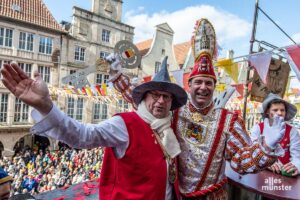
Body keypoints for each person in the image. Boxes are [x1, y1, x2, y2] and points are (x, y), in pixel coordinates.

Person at [110, 18, 286, 199]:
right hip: (177, 194)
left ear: (214, 86)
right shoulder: (175, 111)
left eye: (208, 83)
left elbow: (240, 162)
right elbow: (147, 103)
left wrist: (265, 148)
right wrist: (117, 76)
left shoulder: (229, 121)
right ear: (189, 85)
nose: (203, 87)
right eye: (198, 82)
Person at [0, 57, 187, 200]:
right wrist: (46, 106)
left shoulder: (170, 126)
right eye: (155, 94)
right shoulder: (125, 123)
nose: (161, 101)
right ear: (144, 97)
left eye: (166, 97)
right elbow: (83, 135)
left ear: (171, 102)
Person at [251, 93, 300, 176]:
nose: (280, 113)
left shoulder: (292, 131)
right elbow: (252, 152)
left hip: (285, 176)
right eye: (275, 110)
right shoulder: (258, 128)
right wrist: (267, 162)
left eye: (282, 110)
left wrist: (296, 165)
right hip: (261, 174)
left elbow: (296, 156)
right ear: (267, 111)